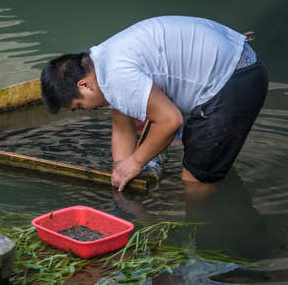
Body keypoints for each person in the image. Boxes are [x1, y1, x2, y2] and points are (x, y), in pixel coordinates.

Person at [40, 16, 268, 191]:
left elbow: (170, 121)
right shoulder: (103, 61)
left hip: (232, 79)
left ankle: (202, 237)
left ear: (85, 85)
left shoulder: (118, 75)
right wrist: (120, 171)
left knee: (195, 179)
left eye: (79, 107)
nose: (87, 111)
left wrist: (136, 161)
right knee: (204, 159)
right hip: (234, 65)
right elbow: (122, 128)